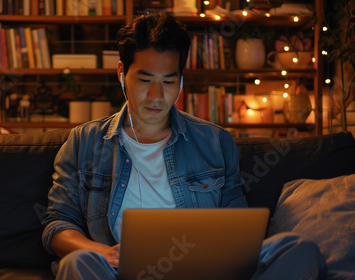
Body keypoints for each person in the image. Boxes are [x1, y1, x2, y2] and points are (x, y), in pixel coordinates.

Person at [42, 13, 326, 280]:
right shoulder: (83, 142)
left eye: (168, 81)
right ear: (121, 73)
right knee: (77, 262)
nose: (156, 96)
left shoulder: (215, 142)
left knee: (298, 248)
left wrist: (222, 256)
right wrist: (103, 252)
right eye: (144, 80)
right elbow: (56, 225)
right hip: (118, 272)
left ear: (180, 81)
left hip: (203, 271)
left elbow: (237, 224)